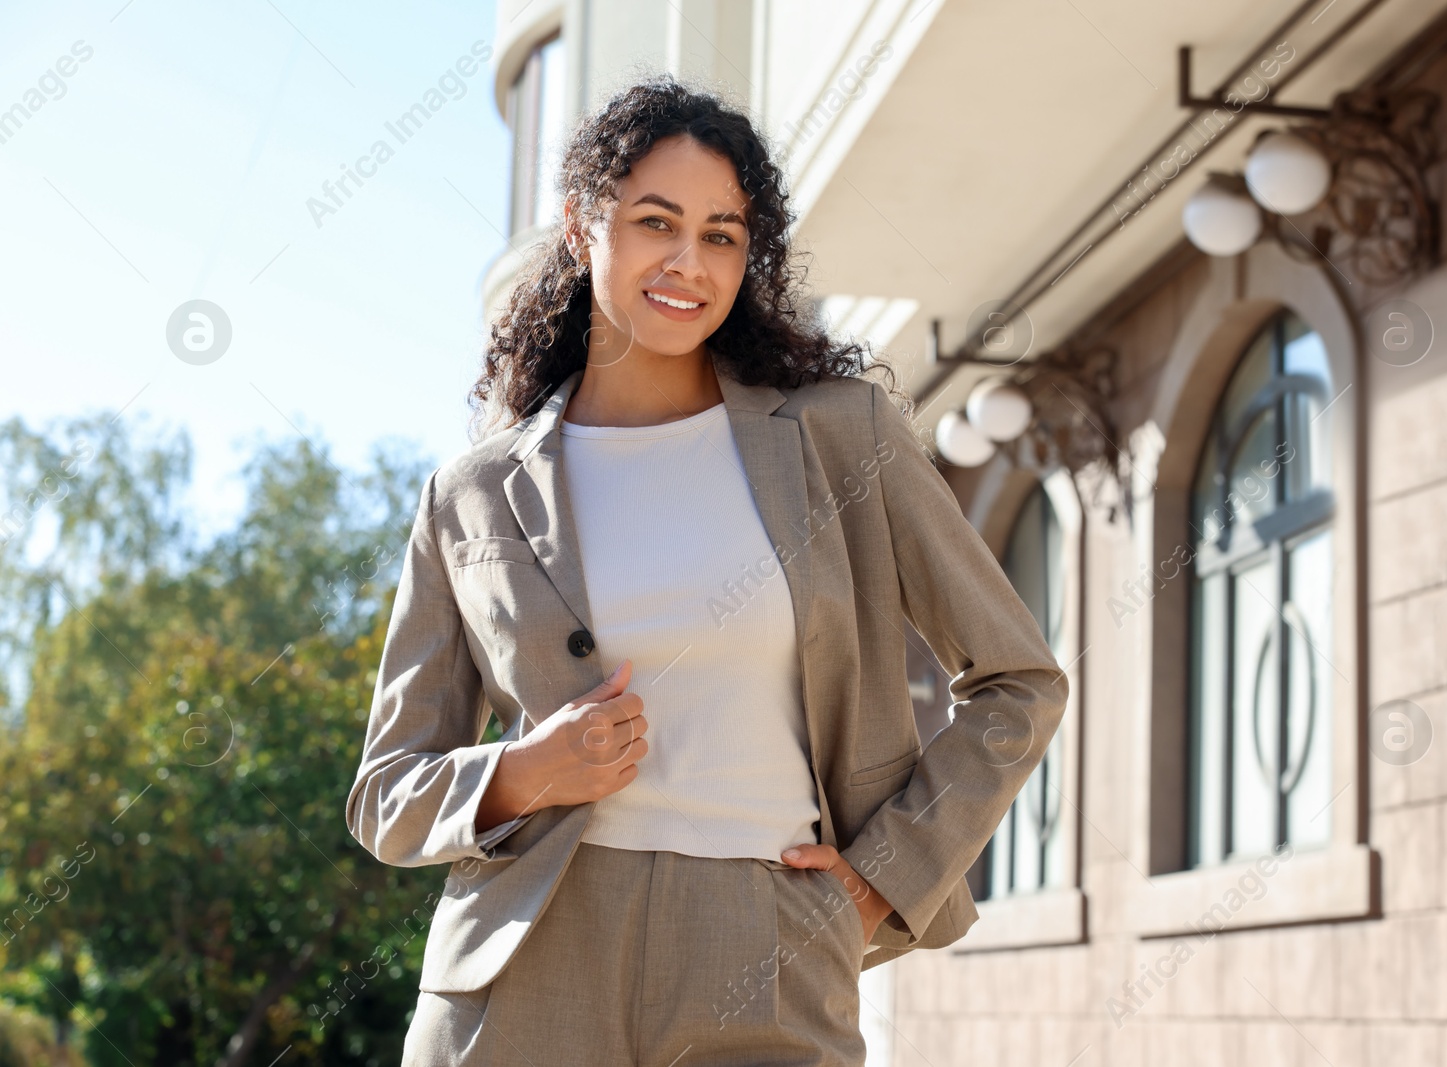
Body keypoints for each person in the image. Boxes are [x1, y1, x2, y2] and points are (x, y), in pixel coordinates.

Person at [346, 74, 1069, 1066]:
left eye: (722, 233)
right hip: (524, 957)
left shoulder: (838, 435)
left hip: (766, 937)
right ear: (580, 225)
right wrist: (519, 771)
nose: (690, 261)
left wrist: (875, 881)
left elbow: (1017, 680)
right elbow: (386, 789)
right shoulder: (469, 492)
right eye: (656, 222)